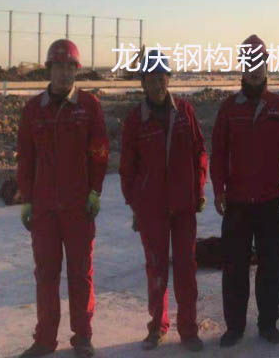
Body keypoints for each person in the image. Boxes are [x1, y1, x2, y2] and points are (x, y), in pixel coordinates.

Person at [16, 39, 109, 358]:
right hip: (44, 208)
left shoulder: (89, 106)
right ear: (49, 69)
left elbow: (99, 152)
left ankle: (82, 337)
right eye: (59, 66)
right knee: (46, 274)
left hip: (78, 206)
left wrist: (95, 191)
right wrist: (27, 198)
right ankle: (45, 339)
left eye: (71, 67)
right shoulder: (33, 110)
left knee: (81, 274)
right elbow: (25, 157)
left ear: (76, 70)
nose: (65, 73)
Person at [210, 35, 279, 346]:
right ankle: (234, 327)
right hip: (237, 203)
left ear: (266, 64)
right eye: (249, 63)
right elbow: (218, 153)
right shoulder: (228, 109)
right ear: (242, 66)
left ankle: (268, 323)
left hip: (268, 202)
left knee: (271, 266)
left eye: (259, 62)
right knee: (234, 268)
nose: (255, 69)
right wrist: (218, 189)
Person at [119, 50, 208, 351]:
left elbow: (199, 152)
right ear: (143, 83)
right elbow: (127, 167)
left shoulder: (184, 112)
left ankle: (189, 330)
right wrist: (135, 203)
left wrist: (198, 189)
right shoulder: (136, 120)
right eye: (152, 79)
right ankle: (157, 326)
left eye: (162, 78)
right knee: (156, 269)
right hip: (152, 209)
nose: (158, 84)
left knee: (186, 269)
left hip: (183, 207)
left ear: (169, 79)